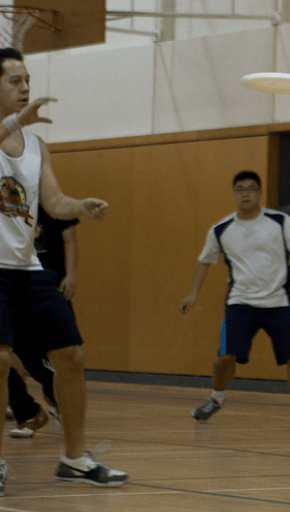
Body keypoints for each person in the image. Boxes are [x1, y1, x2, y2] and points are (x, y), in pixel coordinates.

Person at [0, 47, 129, 495]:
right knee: (0, 359)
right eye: (15, 80)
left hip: (29, 268)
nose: (25, 87)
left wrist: (80, 206)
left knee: (71, 355)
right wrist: (18, 120)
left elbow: (52, 202)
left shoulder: (37, 147)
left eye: (27, 79)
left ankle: (74, 457)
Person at [180, 170, 290, 425]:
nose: (246, 194)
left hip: (278, 301)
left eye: (251, 189)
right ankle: (216, 398)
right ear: (234, 194)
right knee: (225, 356)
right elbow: (204, 262)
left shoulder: (279, 221)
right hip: (240, 303)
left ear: (259, 193)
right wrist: (192, 294)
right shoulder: (221, 229)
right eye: (240, 189)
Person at [6, 206, 75, 438]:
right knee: (15, 352)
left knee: (36, 354)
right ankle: (26, 409)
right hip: (12, 283)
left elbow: (69, 238)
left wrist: (71, 275)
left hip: (36, 283)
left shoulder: (45, 204)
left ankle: (48, 401)